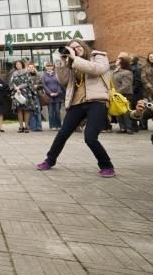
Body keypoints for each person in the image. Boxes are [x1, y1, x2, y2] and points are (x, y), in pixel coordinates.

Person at [36, 39, 116, 177]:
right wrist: (63, 63)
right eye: (71, 48)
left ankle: (107, 165)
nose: (75, 50)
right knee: (63, 133)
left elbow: (96, 70)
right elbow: (63, 81)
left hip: (97, 101)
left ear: (83, 46)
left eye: (77, 47)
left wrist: (74, 58)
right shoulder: (72, 62)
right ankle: (50, 160)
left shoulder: (98, 56)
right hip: (77, 102)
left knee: (90, 137)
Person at [9, 60, 35, 133]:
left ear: (22, 65)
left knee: (26, 109)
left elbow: (28, 82)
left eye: (19, 64)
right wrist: (16, 88)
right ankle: (21, 127)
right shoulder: (14, 73)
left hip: (26, 93)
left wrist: (19, 87)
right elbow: (11, 82)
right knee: (19, 110)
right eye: (16, 64)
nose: (18, 65)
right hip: (17, 93)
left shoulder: (26, 72)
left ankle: (26, 126)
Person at [112, 56, 135, 134]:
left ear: (123, 62)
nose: (116, 60)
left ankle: (129, 128)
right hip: (116, 94)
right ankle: (122, 128)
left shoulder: (127, 72)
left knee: (126, 112)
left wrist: (117, 92)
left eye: (118, 60)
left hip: (125, 94)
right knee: (118, 111)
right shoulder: (115, 71)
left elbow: (126, 85)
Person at [42, 63, 64, 131]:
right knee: (51, 112)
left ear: (53, 67)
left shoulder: (57, 74)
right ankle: (52, 125)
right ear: (45, 67)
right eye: (47, 66)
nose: (49, 68)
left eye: (50, 66)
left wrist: (57, 92)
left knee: (57, 111)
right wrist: (50, 93)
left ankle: (58, 125)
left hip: (58, 96)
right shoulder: (44, 75)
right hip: (49, 96)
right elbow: (44, 85)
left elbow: (60, 83)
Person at [27, 63, 44, 131]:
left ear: (34, 68)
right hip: (29, 96)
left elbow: (42, 84)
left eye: (32, 67)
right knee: (31, 111)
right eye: (29, 67)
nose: (31, 68)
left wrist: (38, 86)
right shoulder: (25, 76)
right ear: (27, 68)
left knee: (38, 111)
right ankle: (33, 127)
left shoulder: (39, 75)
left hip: (37, 95)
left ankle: (39, 127)